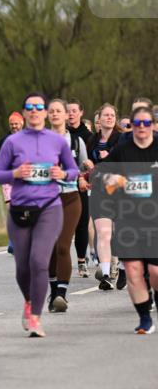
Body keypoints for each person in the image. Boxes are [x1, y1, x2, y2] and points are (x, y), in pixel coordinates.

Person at [0, 92, 79, 337]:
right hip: (20, 210)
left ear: (44, 112)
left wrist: (63, 175)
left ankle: (35, 318)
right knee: (22, 267)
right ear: (25, 112)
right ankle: (29, 300)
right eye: (29, 107)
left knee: (39, 262)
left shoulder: (57, 141)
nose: (34, 110)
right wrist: (16, 173)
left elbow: (73, 170)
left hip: (50, 207)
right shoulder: (12, 142)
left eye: (39, 106)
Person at [95, 105, 158, 334]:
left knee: (155, 272)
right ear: (130, 126)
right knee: (132, 270)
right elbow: (101, 174)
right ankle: (144, 319)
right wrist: (115, 181)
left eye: (146, 123)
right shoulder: (123, 150)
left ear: (152, 125)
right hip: (128, 218)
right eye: (137, 124)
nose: (141, 128)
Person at [46, 99, 88, 312]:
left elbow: (83, 167)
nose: (55, 114)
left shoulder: (76, 142)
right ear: (47, 115)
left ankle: (61, 294)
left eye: (58, 111)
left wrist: (83, 174)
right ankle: (53, 290)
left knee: (63, 245)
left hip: (70, 198)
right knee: (50, 249)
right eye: (51, 111)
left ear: (65, 116)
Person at [87, 103, 121, 289]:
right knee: (103, 232)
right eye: (105, 115)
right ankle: (106, 274)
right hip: (99, 190)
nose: (109, 118)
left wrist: (109, 157)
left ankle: (122, 267)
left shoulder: (122, 139)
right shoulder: (92, 140)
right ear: (99, 119)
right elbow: (90, 165)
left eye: (112, 115)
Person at [66, 99, 93, 276]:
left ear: (81, 112)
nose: (71, 114)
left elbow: (89, 163)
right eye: (68, 111)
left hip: (82, 183)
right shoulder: (59, 134)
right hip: (61, 185)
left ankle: (81, 260)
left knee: (82, 224)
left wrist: (86, 175)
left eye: (74, 110)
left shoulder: (88, 136)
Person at [0, 112, 24, 255]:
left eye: (16, 123)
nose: (14, 126)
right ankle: (13, 241)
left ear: (22, 123)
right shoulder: (4, 141)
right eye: (12, 124)